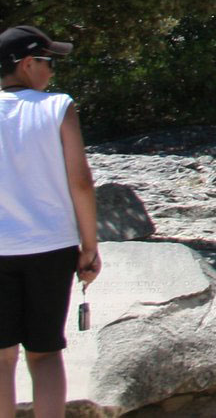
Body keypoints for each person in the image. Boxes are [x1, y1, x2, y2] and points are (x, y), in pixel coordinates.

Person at [0, 25, 99, 418]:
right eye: (48, 62)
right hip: (51, 248)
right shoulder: (58, 107)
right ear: (27, 64)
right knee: (44, 355)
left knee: (1, 357)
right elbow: (81, 180)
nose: (52, 72)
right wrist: (89, 247)